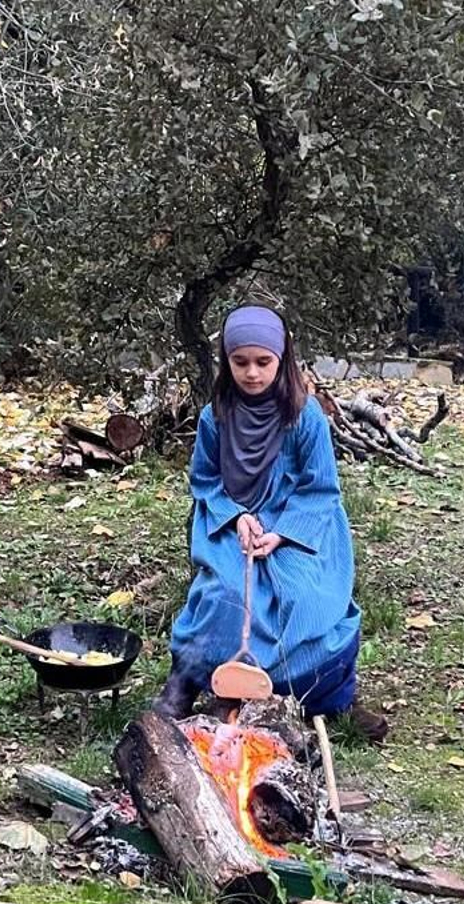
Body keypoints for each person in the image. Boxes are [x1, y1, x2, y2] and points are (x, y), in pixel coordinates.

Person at [155, 304, 388, 743]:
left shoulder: (304, 417)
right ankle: (186, 682)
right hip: (231, 524)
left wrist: (282, 532)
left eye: (263, 362)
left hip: (296, 527)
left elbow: (321, 489)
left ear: (281, 360)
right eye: (240, 362)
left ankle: (331, 699)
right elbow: (205, 480)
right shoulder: (215, 417)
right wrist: (237, 515)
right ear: (227, 362)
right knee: (223, 594)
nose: (253, 374)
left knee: (305, 597)